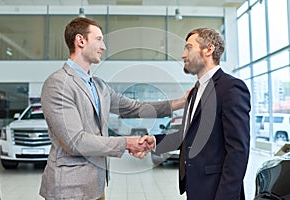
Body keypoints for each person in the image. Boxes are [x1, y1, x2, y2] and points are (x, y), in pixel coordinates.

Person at [39, 17, 187, 200]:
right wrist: (126, 143)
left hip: (96, 185)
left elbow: (135, 108)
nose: (103, 47)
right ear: (80, 41)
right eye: (99, 39)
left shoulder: (99, 86)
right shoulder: (58, 84)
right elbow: (75, 141)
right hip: (69, 189)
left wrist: (181, 102)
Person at [141, 27, 251, 199]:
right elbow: (188, 136)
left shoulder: (231, 88)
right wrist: (155, 141)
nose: (183, 55)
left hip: (218, 191)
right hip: (195, 188)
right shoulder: (193, 93)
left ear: (209, 49)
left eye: (188, 48)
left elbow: (238, 151)